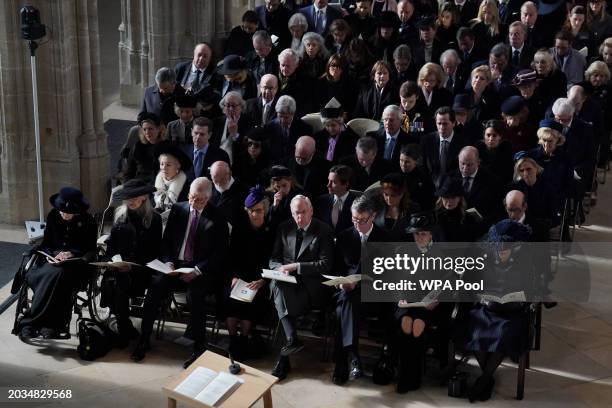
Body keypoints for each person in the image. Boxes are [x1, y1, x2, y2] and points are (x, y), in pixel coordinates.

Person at [131, 178, 229, 368]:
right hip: (175, 267)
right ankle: (144, 338)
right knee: (155, 287)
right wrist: (168, 261)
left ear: (208, 198)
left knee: (195, 295)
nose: (193, 202)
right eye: (191, 197)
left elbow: (220, 253)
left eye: (199, 199)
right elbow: (166, 241)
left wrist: (198, 270)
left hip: (200, 270)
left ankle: (198, 346)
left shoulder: (218, 217)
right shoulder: (179, 209)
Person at [463, 219, 534, 402]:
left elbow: (530, 291)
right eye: (499, 249)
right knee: (475, 331)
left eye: (505, 249)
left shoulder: (525, 261)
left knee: (503, 335)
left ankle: (484, 380)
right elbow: (472, 286)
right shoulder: (484, 260)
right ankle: (487, 379)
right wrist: (481, 297)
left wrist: (519, 298)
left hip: (513, 312)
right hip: (488, 308)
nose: (501, 252)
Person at [17, 188, 97, 340]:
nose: (63, 214)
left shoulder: (88, 221)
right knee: (46, 275)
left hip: (75, 264)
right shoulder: (53, 216)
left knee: (58, 277)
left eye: (68, 212)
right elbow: (46, 242)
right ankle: (37, 324)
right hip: (50, 261)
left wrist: (71, 253)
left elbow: (90, 248)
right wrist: (51, 254)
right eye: (61, 210)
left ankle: (42, 324)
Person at [269, 195, 334, 381]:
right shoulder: (284, 228)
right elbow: (274, 258)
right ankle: (288, 348)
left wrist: (296, 267)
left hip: (312, 288)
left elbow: (325, 264)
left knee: (280, 300)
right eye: (296, 213)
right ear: (291, 213)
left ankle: (287, 350)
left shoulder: (324, 230)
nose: (300, 217)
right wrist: (279, 269)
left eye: (303, 212)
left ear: (311, 210)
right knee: (280, 287)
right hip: (287, 283)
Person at [332, 195, 391, 385]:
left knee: (343, 309)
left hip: (375, 296)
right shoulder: (344, 236)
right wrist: (341, 282)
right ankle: (352, 358)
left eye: (362, 220)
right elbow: (336, 269)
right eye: (354, 219)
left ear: (372, 216)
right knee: (347, 301)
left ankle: (347, 359)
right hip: (348, 292)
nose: (357, 224)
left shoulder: (385, 239)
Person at [105, 180, 162, 346]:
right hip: (120, 267)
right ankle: (124, 326)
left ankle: (129, 330)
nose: (131, 200)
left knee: (124, 283)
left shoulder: (155, 219)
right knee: (114, 282)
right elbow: (112, 244)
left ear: (144, 197)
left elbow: (154, 251)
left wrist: (133, 263)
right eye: (128, 197)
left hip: (143, 268)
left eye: (135, 197)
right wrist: (114, 260)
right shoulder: (119, 215)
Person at [224, 186, 275, 360]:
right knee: (231, 297)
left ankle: (244, 339)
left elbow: (273, 260)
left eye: (259, 210)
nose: (255, 214)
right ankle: (232, 339)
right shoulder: (240, 229)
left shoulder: (270, 230)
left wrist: (262, 280)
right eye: (252, 211)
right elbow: (231, 256)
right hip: (239, 274)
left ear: (265, 210)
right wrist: (234, 276)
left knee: (252, 301)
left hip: (260, 277)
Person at [420, 107, 466, 188]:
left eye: (445, 124)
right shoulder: (426, 140)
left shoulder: (463, 143)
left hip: (454, 188)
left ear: (454, 123)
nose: (441, 127)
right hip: (430, 188)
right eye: (439, 123)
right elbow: (423, 167)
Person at [435, 176, 486, 241]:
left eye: (453, 197)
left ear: (460, 198)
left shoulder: (471, 212)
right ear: (441, 197)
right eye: (446, 197)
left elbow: (482, 230)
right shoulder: (435, 215)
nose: (449, 201)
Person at [264, 95, 313, 162]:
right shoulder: (269, 127)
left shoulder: (305, 129)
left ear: (292, 114)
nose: (282, 120)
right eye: (280, 116)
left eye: (286, 117)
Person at [314, 165, 361, 235]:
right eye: (329, 180)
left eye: (333, 182)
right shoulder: (320, 201)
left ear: (346, 184)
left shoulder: (358, 203)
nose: (328, 185)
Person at [125, 113, 170, 184]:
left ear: (159, 129)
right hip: (138, 184)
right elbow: (129, 172)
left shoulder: (168, 147)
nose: (147, 132)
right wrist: (127, 187)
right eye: (144, 129)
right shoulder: (137, 146)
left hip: (158, 186)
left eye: (150, 129)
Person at [373, 172, 420, 239]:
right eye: (386, 195)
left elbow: (415, 236)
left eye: (393, 196)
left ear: (402, 194)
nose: (389, 199)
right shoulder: (377, 206)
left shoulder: (413, 209)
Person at [212, 91, 253, 165]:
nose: (230, 109)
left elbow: (249, 147)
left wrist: (235, 135)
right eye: (227, 105)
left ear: (241, 107)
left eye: (234, 106)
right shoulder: (216, 122)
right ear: (223, 108)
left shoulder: (248, 122)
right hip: (217, 162)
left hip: (238, 163)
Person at [184, 116, 230, 181]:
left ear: (209, 135)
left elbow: (225, 180)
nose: (198, 137)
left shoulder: (221, 155)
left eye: (202, 134)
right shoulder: (183, 152)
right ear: (191, 132)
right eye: (196, 133)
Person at [314, 98, 359, 164]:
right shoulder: (319, 136)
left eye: (333, 125)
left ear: (340, 123)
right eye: (327, 126)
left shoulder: (351, 137)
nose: (330, 128)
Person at [209, 161, 249, 227]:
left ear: (230, 174)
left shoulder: (245, 191)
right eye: (215, 180)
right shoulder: (208, 188)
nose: (218, 184)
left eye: (222, 179)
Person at [154, 144, 192, 213]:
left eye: (168, 165)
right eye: (162, 164)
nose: (164, 168)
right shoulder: (154, 182)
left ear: (177, 166)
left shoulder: (187, 187)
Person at [476, 119, 514, 185]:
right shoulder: (478, 147)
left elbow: (506, 174)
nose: (491, 139)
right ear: (484, 135)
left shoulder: (507, 148)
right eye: (488, 135)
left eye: (494, 135)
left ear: (500, 136)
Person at [415, 63, 453, 129]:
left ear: (438, 80)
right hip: (417, 132)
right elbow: (410, 117)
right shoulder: (414, 92)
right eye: (426, 80)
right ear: (421, 79)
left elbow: (447, 117)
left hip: (438, 131)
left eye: (432, 81)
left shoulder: (446, 95)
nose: (428, 84)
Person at [398, 144, 436, 211]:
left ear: (416, 161)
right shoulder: (396, 174)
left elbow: (430, 203)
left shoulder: (425, 178)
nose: (403, 164)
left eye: (407, 162)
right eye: (401, 160)